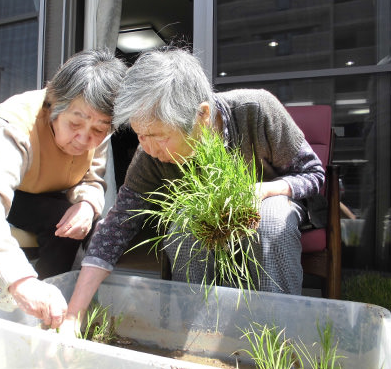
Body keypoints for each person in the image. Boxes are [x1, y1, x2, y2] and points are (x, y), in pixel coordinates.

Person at [60, 47, 325, 334]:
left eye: (159, 137)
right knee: (183, 223)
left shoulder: (256, 110)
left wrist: (265, 191)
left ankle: (279, 336)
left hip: (271, 211)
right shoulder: (148, 153)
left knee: (272, 217)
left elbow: (313, 173)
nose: (147, 148)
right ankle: (198, 334)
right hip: (207, 229)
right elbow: (118, 223)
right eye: (140, 135)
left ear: (203, 116)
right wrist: (74, 313)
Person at [0, 49, 127, 329]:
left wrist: (87, 205)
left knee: (94, 228)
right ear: (53, 106)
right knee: (60, 223)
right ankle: (38, 313)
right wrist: (20, 280)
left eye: (99, 130)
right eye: (74, 124)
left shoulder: (97, 131)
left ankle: (78, 314)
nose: (84, 138)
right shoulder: (15, 124)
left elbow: (93, 180)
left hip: (46, 193)